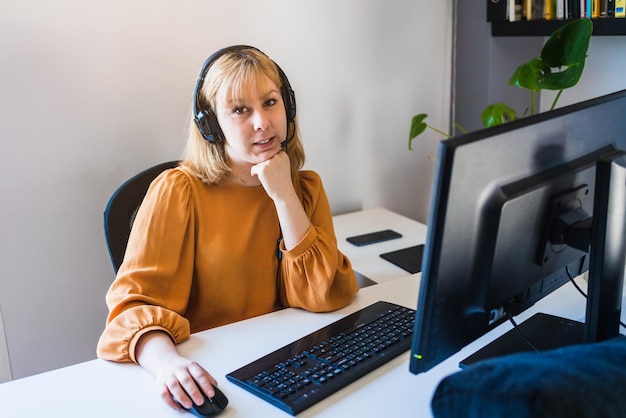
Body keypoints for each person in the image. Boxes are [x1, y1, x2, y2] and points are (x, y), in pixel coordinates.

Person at [96, 45, 359, 412]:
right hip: (212, 374)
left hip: (284, 370)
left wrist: (284, 197)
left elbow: (324, 294)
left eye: (270, 102)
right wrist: (167, 364)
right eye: (239, 110)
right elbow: (131, 307)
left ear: (289, 107)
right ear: (210, 123)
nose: (262, 123)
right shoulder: (178, 192)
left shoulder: (305, 189)